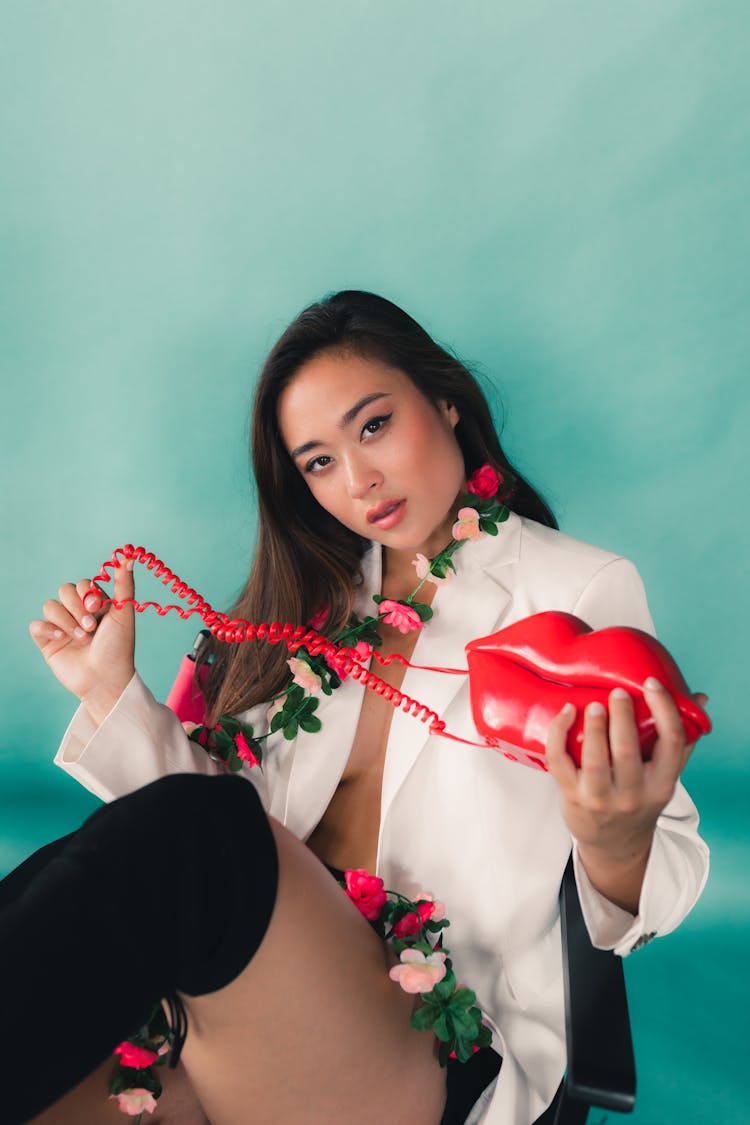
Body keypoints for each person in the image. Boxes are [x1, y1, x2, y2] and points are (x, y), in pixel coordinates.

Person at [15, 290, 709, 1125]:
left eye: (373, 425)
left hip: (425, 1047)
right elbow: (235, 850)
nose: (359, 479)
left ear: (446, 401)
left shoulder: (574, 589)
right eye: (317, 461)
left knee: (193, 832)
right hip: (246, 1020)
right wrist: (105, 690)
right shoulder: (315, 607)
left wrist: (615, 838)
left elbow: (669, 876)